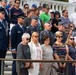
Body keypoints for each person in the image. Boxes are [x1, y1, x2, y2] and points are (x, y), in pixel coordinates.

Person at [0, 7, 8, 75]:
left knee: (2, 61)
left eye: (4, 13)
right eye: (2, 13)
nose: (3, 15)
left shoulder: (5, 23)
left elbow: (6, 34)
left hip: (4, 45)